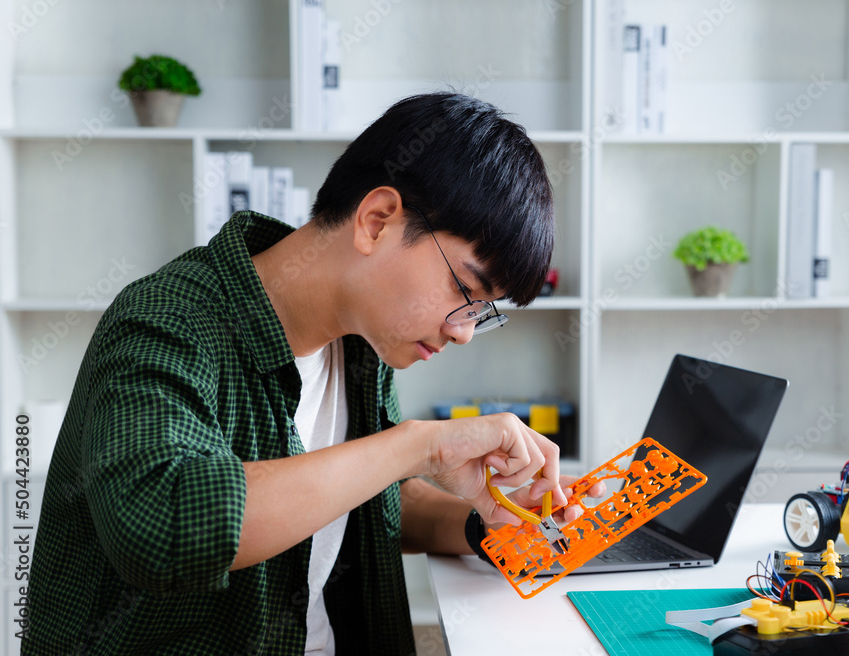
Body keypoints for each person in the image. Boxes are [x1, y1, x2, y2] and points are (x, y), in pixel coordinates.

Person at [24, 92, 603, 655]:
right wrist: (415, 445)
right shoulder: (167, 320)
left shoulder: (362, 343)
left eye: (482, 313)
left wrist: (495, 524)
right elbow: (167, 524)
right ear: (376, 221)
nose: (463, 331)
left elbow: (380, 502)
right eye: (465, 291)